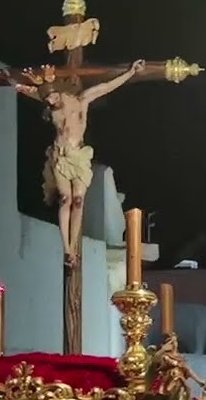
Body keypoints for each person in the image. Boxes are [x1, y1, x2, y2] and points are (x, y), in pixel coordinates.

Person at [9, 60, 145, 267]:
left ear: (60, 91)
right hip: (61, 155)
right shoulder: (48, 99)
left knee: (78, 200)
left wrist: (131, 72)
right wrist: (8, 79)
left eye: (52, 97)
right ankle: (67, 249)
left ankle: (74, 244)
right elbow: (23, 89)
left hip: (79, 156)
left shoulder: (81, 100)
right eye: (47, 100)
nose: (50, 102)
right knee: (65, 199)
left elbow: (107, 86)